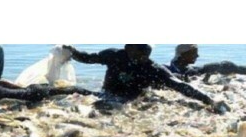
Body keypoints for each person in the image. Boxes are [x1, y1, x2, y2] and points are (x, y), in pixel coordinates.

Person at [63, 44, 229, 113]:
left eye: (146, 55)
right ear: (128, 48)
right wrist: (72, 51)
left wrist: (209, 100)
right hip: (106, 93)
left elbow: (180, 86)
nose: (143, 58)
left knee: (105, 107)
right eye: (139, 54)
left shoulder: (152, 68)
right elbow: (87, 58)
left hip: (126, 101)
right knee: (71, 90)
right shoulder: (114, 55)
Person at [166, 44, 246, 78]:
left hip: (197, 71)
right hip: (198, 72)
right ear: (184, 54)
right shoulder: (169, 70)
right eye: (194, 53)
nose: (197, 56)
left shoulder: (177, 65)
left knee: (227, 65)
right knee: (227, 66)